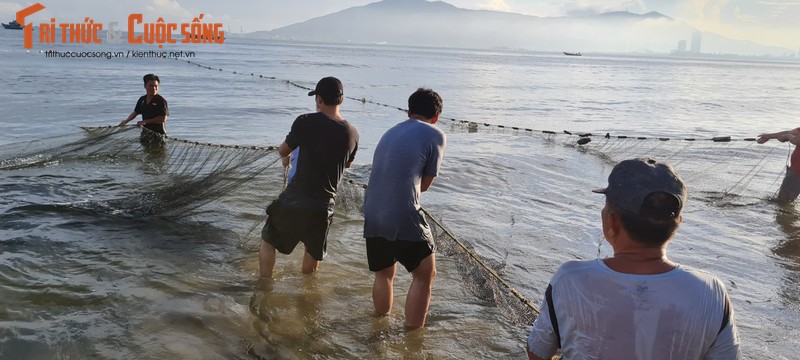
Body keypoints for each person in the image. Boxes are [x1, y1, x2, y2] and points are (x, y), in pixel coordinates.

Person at [526, 158, 741, 359]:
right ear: (678, 223)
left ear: (612, 222)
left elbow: (537, 352)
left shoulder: (570, 279)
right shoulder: (711, 291)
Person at [259, 76, 359, 278]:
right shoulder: (353, 133)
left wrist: (288, 156)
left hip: (295, 199)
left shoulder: (305, 121)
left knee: (268, 241)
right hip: (324, 205)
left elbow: (283, 150)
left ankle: (265, 284)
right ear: (341, 100)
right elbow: (348, 164)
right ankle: (305, 294)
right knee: (313, 252)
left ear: (319, 99)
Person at [363, 88, 446, 329]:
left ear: (408, 111)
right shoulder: (436, 134)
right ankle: (412, 338)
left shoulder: (390, 131)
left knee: (384, 273)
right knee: (425, 274)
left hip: (372, 213)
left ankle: (379, 326)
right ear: (437, 116)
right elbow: (425, 185)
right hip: (402, 213)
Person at [118, 73, 169, 144]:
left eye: (156, 86)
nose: (154, 88)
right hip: (145, 132)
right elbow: (136, 112)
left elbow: (163, 118)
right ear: (145, 86)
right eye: (151, 86)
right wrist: (126, 121)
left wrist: (145, 122)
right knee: (145, 151)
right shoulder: (142, 99)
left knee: (158, 152)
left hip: (159, 135)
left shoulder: (161, 101)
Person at [757, 128, 800, 204]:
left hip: (797, 172)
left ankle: (785, 215)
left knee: (783, 201)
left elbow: (797, 140)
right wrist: (768, 136)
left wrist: (788, 137)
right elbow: (791, 132)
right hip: (795, 171)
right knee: (786, 201)